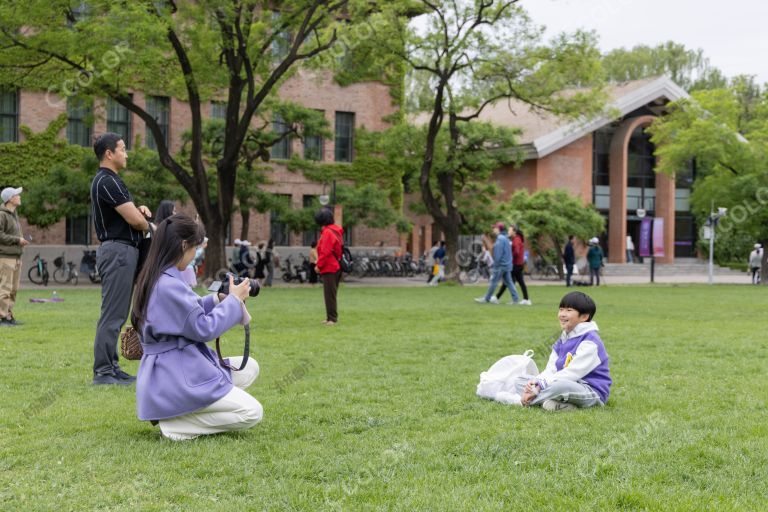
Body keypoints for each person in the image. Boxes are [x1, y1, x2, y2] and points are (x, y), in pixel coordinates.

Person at [131, 214, 262, 441]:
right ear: (183, 245)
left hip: (173, 369)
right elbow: (204, 328)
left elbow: (187, 312)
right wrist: (233, 301)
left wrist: (218, 300)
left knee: (249, 367)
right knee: (252, 412)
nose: (195, 255)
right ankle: (179, 423)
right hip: (176, 375)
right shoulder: (169, 284)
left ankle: (189, 410)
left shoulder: (160, 277)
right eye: (195, 248)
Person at [90, 133, 152, 385]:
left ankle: (112, 367)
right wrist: (147, 223)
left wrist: (140, 212)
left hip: (122, 250)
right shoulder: (106, 181)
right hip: (118, 251)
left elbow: (132, 215)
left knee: (117, 312)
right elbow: (135, 221)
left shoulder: (110, 181)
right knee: (113, 314)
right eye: (123, 149)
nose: (126, 154)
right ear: (109, 153)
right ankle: (104, 371)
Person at [514, 291, 611, 411]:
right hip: (563, 383)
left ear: (584, 317)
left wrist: (540, 387)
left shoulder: (590, 342)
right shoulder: (563, 338)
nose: (562, 314)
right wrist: (536, 383)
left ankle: (522, 400)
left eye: (569, 310)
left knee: (559, 386)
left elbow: (572, 373)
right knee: (520, 380)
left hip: (590, 391)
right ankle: (560, 405)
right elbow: (551, 369)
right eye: (561, 309)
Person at [0, 186, 29, 327]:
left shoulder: (14, 214)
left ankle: (8, 316)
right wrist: (17, 240)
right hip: (5, 257)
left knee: (13, 289)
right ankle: (2, 317)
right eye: (17, 195)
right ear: (10, 199)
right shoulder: (2, 215)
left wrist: (21, 240)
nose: (19, 196)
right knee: (5, 288)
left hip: (16, 256)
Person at [475, 223, 519, 304]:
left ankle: (486, 299)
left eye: (494, 228)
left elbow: (498, 255)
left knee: (493, 282)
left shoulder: (500, 239)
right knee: (509, 282)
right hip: (507, 265)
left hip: (500, 266)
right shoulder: (505, 238)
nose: (493, 229)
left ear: (498, 229)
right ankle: (515, 299)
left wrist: (495, 266)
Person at [314, 208, 343, 325]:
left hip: (330, 267)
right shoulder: (335, 231)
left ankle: (332, 318)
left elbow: (325, 251)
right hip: (335, 266)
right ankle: (330, 317)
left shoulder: (327, 232)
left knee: (329, 294)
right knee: (331, 293)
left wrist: (318, 265)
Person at [496, 225, 531, 305]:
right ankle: (526, 299)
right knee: (516, 281)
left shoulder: (516, 239)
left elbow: (517, 252)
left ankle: (498, 297)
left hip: (516, 265)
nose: (508, 232)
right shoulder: (516, 239)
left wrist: (509, 256)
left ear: (514, 231)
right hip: (518, 264)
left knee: (507, 281)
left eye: (510, 230)